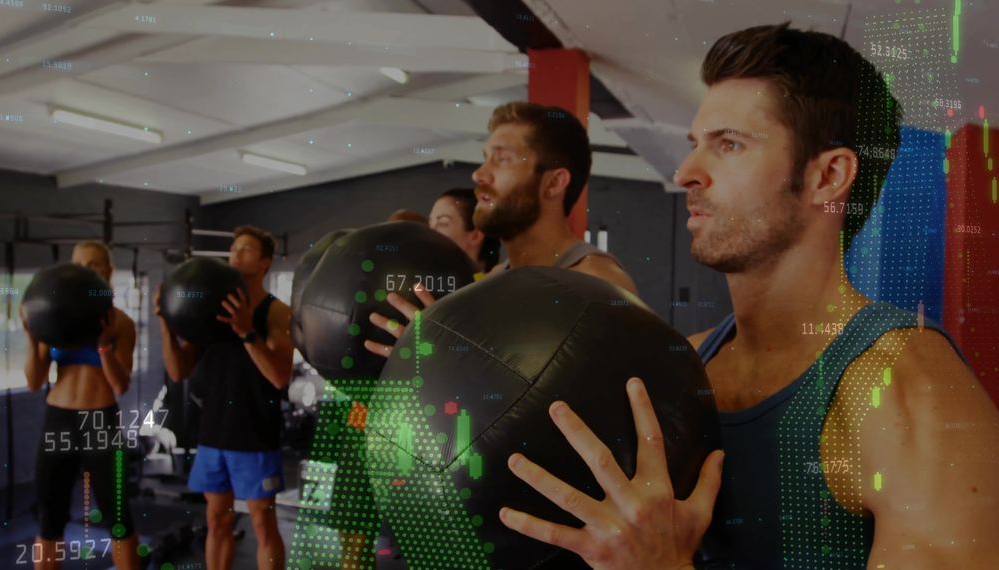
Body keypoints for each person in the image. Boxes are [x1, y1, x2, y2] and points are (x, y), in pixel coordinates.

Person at [496, 23, 999, 568]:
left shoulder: (909, 392)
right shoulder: (684, 366)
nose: (686, 172)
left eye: (728, 145)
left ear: (828, 176)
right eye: (695, 146)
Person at [365, 102, 638, 357]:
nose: (479, 174)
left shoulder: (600, 285)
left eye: (502, 159)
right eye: (485, 158)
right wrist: (428, 359)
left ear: (554, 183)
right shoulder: (490, 284)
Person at [156, 225, 294, 570]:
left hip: (256, 433)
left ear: (265, 262)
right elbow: (178, 372)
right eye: (233, 249)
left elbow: (279, 376)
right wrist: (165, 326)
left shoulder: (276, 312)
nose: (235, 255)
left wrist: (247, 331)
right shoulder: (208, 308)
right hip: (214, 432)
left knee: (263, 522)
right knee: (216, 519)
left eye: (246, 250)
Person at [22, 240, 140, 570]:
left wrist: (103, 347)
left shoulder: (120, 323)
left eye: (94, 265)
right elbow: (34, 382)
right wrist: (33, 339)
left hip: (100, 421)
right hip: (58, 419)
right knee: (50, 517)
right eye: (79, 265)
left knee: (118, 518)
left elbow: (120, 384)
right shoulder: (53, 319)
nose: (85, 271)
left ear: (108, 271)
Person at [428, 187, 500, 277]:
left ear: (476, 236)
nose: (430, 231)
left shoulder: (495, 286)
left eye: (443, 223)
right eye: (430, 223)